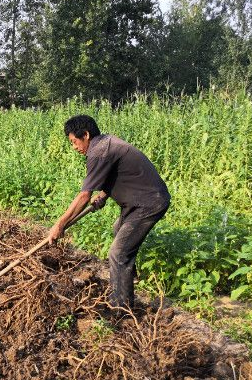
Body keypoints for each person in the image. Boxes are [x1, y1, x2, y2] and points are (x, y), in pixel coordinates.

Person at [47, 114, 170, 311]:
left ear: (85, 135)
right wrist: (104, 195)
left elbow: (84, 196)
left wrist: (59, 224)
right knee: (118, 229)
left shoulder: (98, 152)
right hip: (139, 200)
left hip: (148, 203)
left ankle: (121, 309)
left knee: (118, 253)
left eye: (74, 141)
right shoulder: (105, 144)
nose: (74, 147)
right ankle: (128, 277)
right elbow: (117, 173)